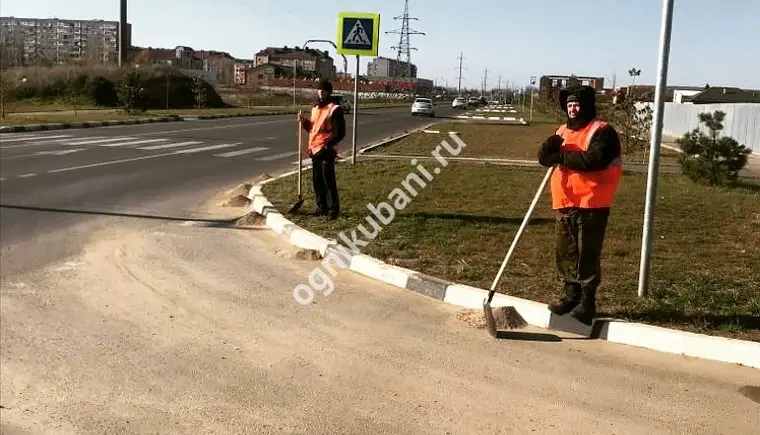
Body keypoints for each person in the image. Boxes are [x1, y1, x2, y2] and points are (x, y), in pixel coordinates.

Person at [537, 84, 623, 325]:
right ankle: (570, 297)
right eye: (569, 105)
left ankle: (587, 303)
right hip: (565, 201)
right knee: (565, 252)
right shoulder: (562, 130)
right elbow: (545, 159)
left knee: (587, 253)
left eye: (576, 104)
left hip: (592, 202)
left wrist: (562, 156)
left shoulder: (602, 131)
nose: (573, 109)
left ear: (586, 106)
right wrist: (547, 149)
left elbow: (594, 159)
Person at [298, 79, 346, 220]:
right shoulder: (315, 108)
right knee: (317, 179)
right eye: (319, 90)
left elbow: (340, 132)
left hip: (327, 149)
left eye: (323, 90)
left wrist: (328, 145)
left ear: (328, 92)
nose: (320, 92)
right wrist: (304, 122)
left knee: (328, 179)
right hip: (315, 149)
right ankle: (321, 206)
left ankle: (333, 209)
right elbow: (313, 128)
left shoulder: (335, 109)